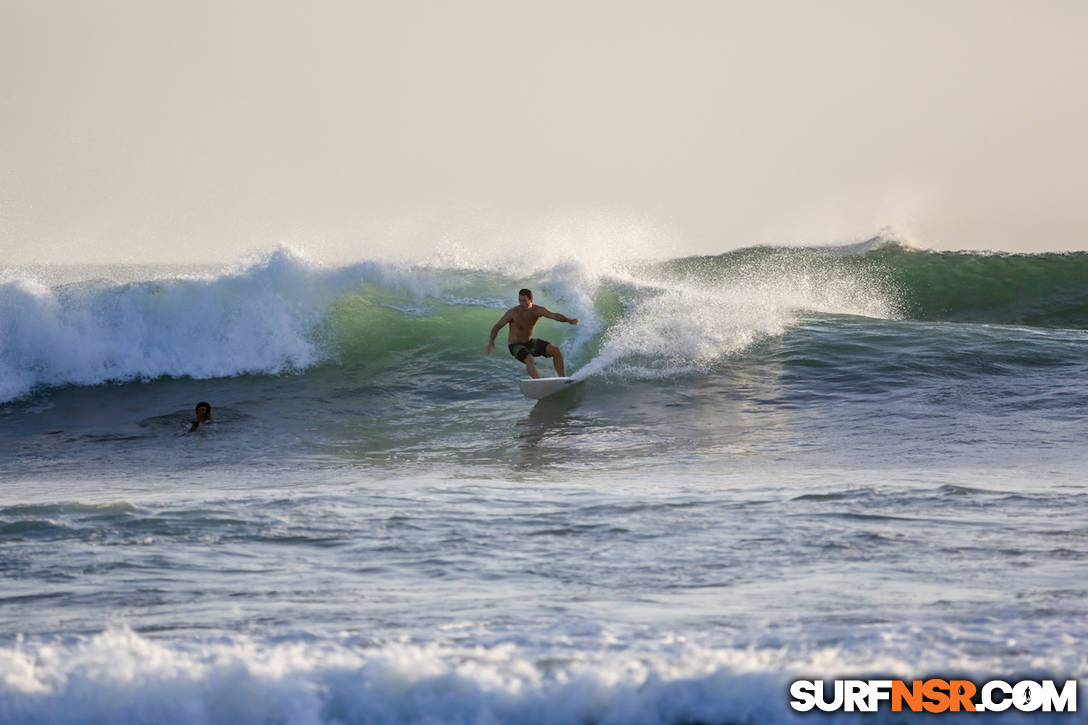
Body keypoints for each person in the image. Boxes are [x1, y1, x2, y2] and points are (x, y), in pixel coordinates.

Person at [487, 288, 579, 378]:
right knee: (529, 359)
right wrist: (491, 341)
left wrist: (569, 320)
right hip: (515, 345)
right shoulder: (513, 313)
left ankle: (562, 379)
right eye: (519, 300)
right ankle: (539, 383)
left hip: (529, 342)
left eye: (524, 301)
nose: (521, 303)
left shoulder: (538, 310)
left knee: (556, 350)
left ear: (531, 300)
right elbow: (497, 326)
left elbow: (554, 315)